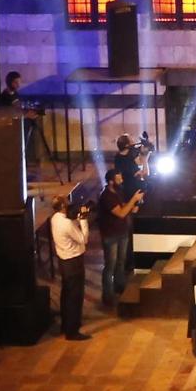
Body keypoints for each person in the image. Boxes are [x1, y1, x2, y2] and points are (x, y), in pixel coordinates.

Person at [98, 139, 145, 309]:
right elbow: (121, 212)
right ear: (111, 181)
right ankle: (107, 295)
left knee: (120, 262)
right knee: (110, 266)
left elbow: (126, 208)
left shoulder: (118, 190)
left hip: (122, 232)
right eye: (118, 178)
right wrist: (134, 200)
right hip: (111, 235)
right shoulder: (107, 196)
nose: (121, 179)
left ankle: (120, 287)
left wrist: (134, 206)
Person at [44, 192, 91, 340]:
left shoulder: (55, 219)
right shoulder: (66, 223)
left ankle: (66, 324)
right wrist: (83, 220)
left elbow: (70, 228)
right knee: (75, 297)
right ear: (63, 206)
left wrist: (76, 219)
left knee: (66, 294)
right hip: (74, 261)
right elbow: (83, 239)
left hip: (64, 261)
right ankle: (72, 330)